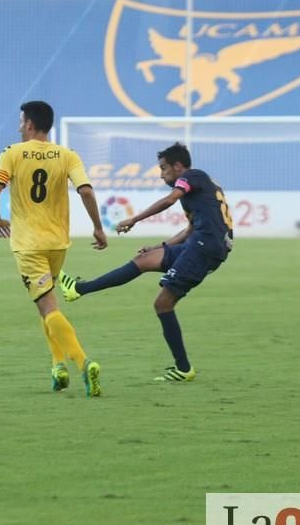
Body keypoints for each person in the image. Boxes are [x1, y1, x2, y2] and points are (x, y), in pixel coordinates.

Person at [59, 142, 232, 383]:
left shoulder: (192, 176)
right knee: (144, 259)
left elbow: (169, 200)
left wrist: (135, 219)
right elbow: (190, 229)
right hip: (200, 243)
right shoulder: (198, 187)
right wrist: (162, 247)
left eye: (163, 169)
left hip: (206, 247)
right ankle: (78, 289)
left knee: (163, 304)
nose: (161, 175)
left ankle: (183, 368)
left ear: (179, 166)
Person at [0, 101, 107, 396]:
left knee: (48, 307)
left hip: (28, 245)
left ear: (29, 124)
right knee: (47, 305)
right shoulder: (67, 155)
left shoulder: (11, 153)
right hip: (57, 244)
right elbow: (87, 191)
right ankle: (57, 367)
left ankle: (83, 362)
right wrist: (98, 227)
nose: (18, 126)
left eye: (20, 122)